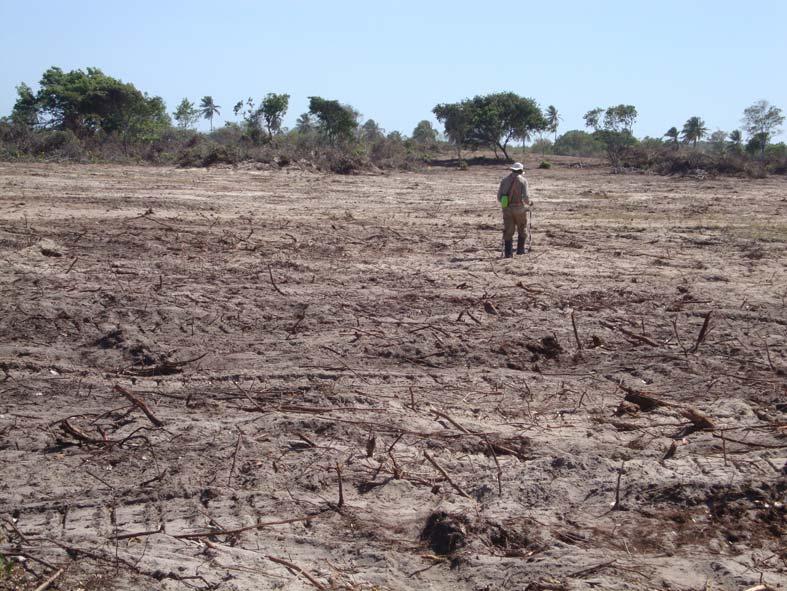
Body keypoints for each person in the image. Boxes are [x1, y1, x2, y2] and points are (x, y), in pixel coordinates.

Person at [497, 162, 532, 258]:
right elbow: (525, 198)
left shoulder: (504, 180)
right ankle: (520, 251)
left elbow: (499, 197)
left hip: (507, 209)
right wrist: (530, 204)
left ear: (512, 169)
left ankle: (508, 254)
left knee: (508, 231)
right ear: (521, 171)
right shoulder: (523, 181)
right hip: (520, 209)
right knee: (522, 228)